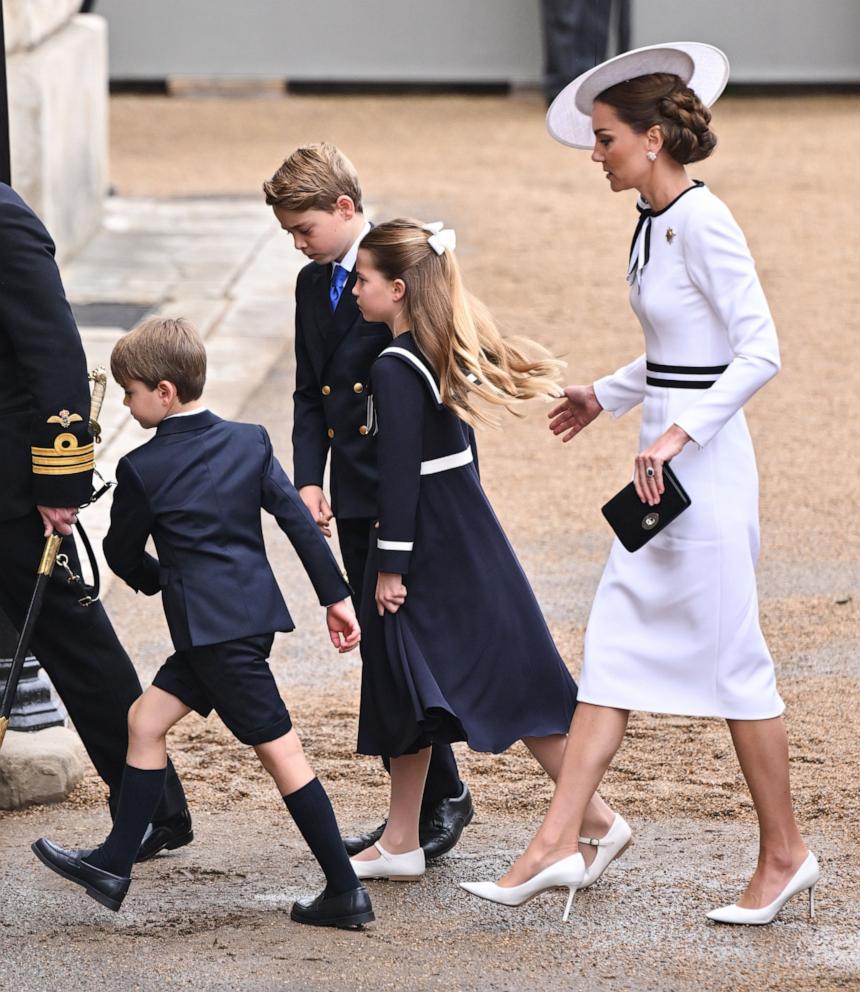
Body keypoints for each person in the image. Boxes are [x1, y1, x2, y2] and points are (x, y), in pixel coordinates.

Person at [463, 42, 818, 926]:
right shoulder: (652, 221)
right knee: (614, 650)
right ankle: (556, 844)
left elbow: (758, 352)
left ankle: (785, 854)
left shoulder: (704, 221)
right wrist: (607, 394)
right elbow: (676, 353)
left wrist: (676, 430)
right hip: (666, 479)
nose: (597, 155)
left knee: (737, 669)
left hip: (707, 480)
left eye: (607, 139)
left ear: (653, 139)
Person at [32, 317, 374, 930]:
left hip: (214, 636)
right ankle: (114, 863)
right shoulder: (250, 440)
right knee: (145, 720)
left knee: (283, 754)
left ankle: (345, 890)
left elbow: (118, 554)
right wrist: (335, 596)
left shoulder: (143, 468)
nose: (128, 405)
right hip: (243, 623)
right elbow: (297, 520)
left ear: (163, 392)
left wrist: (158, 576)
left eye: (131, 393)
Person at [348, 219, 620, 908]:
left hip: (438, 544)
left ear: (399, 288)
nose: (353, 291)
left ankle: (598, 820)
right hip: (460, 529)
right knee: (409, 682)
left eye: (363, 280)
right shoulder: (433, 351)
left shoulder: (393, 363)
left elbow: (401, 474)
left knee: (510, 685)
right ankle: (402, 839)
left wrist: (391, 565)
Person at [262, 144, 474, 859]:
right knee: (385, 657)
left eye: (305, 229)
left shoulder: (405, 268)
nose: (299, 244)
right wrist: (308, 476)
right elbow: (308, 390)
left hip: (398, 487)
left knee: (406, 648)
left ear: (345, 210)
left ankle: (441, 797)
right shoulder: (309, 284)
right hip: (349, 489)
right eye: (291, 233)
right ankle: (417, 811)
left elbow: (443, 379)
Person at [0, 183, 191, 859]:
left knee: (74, 644)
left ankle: (153, 808)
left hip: (13, 491)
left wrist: (59, 479)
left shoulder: (4, 218)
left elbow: (54, 356)